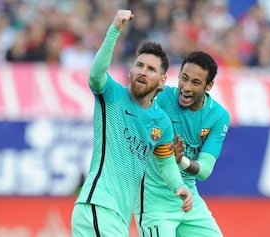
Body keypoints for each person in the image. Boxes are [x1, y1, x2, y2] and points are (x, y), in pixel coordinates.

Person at [71, 10, 193, 237]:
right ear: (130, 70)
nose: (142, 72)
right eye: (139, 65)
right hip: (98, 206)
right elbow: (96, 75)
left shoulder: (161, 122)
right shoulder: (113, 95)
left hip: (120, 217)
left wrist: (180, 186)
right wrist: (115, 28)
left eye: (151, 69)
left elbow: (165, 162)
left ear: (162, 81)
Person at [135, 51, 230, 237]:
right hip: (154, 201)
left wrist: (181, 161)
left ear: (208, 85)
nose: (186, 87)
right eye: (184, 78)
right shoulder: (161, 98)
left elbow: (204, 171)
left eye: (195, 83)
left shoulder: (218, 116)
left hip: (188, 199)